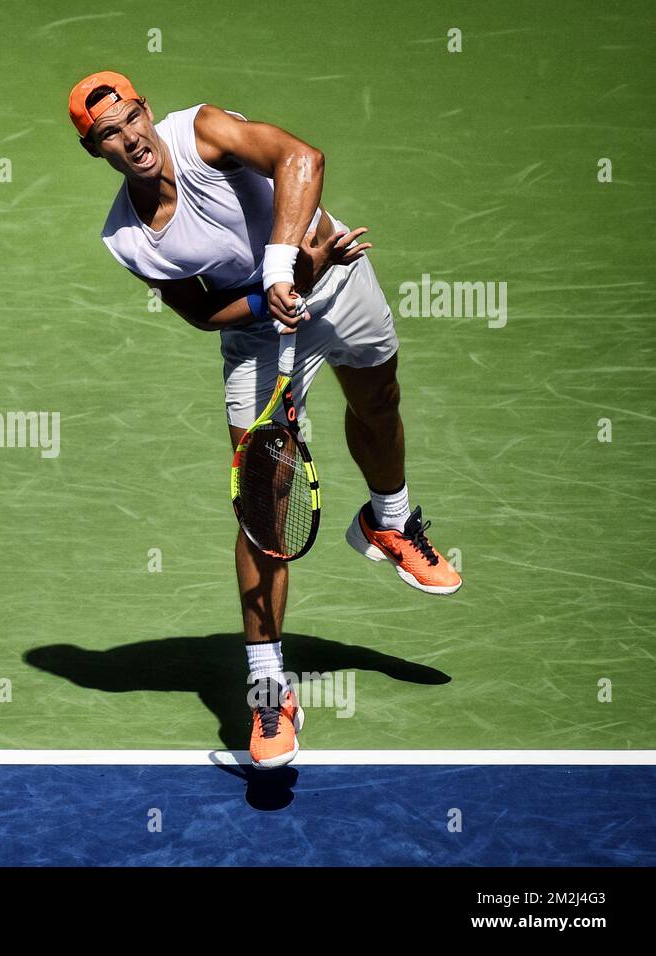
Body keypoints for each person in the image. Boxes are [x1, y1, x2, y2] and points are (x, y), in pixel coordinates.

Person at [70, 70, 462, 768]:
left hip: (335, 274)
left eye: (132, 118)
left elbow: (302, 159)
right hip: (260, 336)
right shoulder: (127, 239)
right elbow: (197, 311)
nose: (131, 138)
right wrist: (271, 296)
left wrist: (290, 267)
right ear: (92, 148)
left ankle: (391, 522)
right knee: (263, 508)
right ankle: (267, 687)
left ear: (147, 110)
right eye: (109, 134)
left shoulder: (200, 133)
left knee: (379, 400)